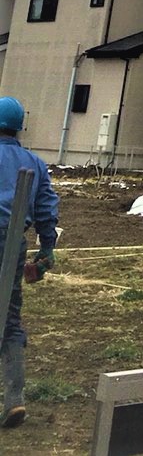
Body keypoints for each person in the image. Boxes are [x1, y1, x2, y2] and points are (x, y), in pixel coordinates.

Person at [0, 96, 58, 429]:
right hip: (13, 243)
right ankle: (14, 400)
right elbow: (47, 208)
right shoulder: (34, 163)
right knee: (9, 319)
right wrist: (46, 249)